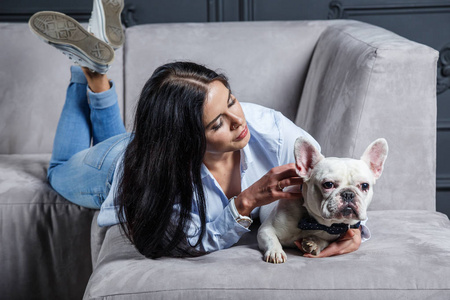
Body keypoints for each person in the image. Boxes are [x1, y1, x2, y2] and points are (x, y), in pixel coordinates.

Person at [29, 2, 366, 260]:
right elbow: (188, 241)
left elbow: (331, 182)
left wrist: (352, 227)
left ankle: (96, 69)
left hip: (152, 142)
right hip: (118, 163)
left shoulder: (272, 130)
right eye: (217, 123)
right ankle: (82, 69)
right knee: (58, 172)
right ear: (186, 141)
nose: (238, 120)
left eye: (232, 101)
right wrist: (246, 201)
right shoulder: (161, 178)